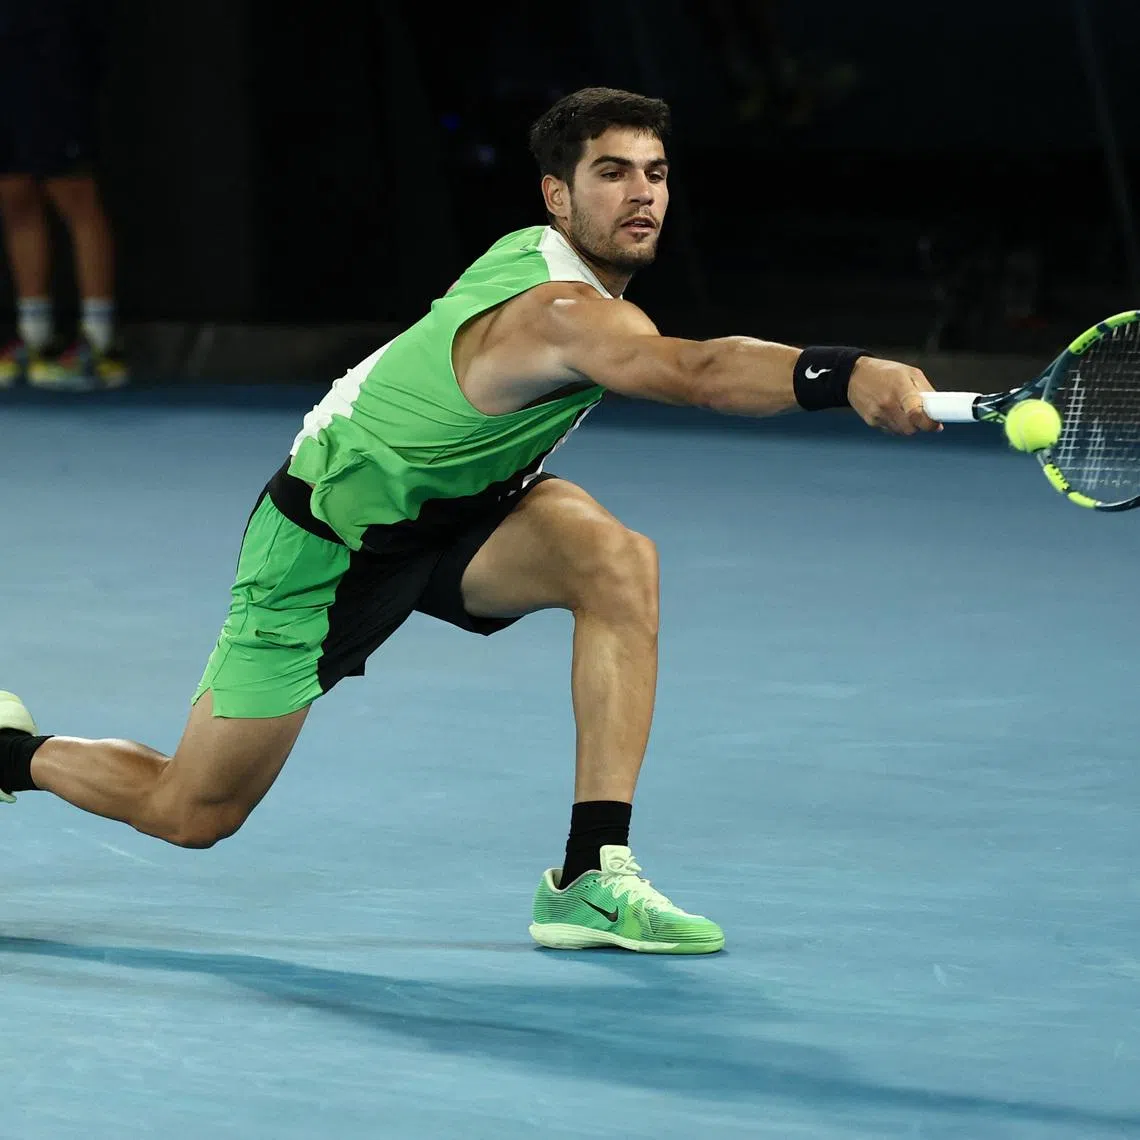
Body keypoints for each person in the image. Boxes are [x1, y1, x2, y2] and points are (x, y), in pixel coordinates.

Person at [0, 87, 940, 954]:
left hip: (462, 515)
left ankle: (590, 875)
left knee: (615, 563)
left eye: (655, 173)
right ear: (557, 198)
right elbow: (695, 372)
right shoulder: (560, 309)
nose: (642, 194)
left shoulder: (581, 286)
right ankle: (12, 754)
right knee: (190, 812)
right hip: (325, 549)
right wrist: (845, 372)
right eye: (612, 173)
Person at [0, 0, 127, 390]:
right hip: (7, 47)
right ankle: (36, 335)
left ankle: (101, 342)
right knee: (13, 190)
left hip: (51, 45)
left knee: (71, 189)